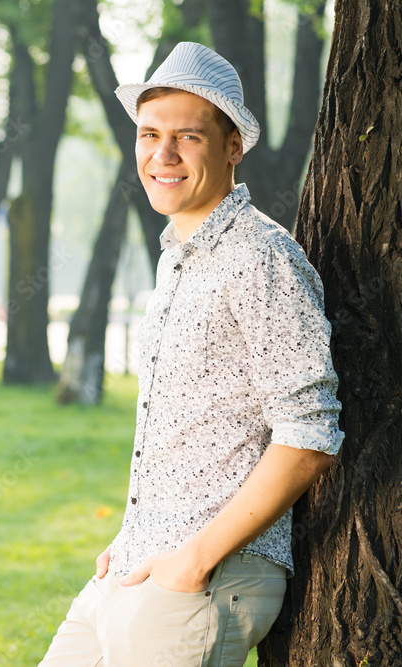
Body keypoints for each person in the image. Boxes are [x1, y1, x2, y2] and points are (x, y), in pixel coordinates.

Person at [38, 42, 345, 666]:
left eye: (188, 136)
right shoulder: (180, 258)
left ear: (233, 146)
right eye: (149, 134)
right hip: (132, 568)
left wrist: (193, 560)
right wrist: (132, 535)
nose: (163, 154)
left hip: (203, 580)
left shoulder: (259, 258)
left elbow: (309, 436)